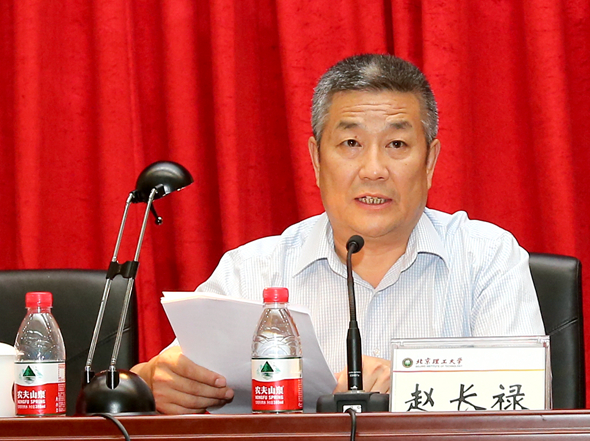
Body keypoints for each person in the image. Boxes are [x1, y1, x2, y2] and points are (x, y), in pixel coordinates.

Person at [132, 54, 545, 414]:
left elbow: (525, 401)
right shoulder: (253, 271)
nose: (374, 170)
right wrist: (156, 381)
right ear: (316, 159)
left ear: (430, 161)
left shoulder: (486, 258)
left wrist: (409, 384)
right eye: (350, 142)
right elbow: (169, 371)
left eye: (397, 144)